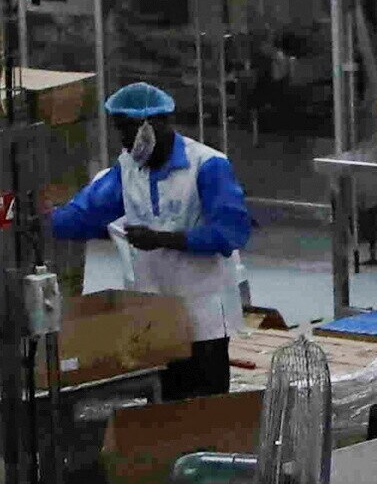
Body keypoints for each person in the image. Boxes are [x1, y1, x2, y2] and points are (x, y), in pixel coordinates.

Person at [53, 81, 252, 400]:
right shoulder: (128, 169)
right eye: (120, 130)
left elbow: (231, 232)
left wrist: (162, 239)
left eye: (128, 129)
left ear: (155, 123)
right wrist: (39, 219)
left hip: (204, 317)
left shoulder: (207, 165)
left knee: (205, 406)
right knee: (164, 406)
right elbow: (86, 213)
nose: (124, 140)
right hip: (154, 317)